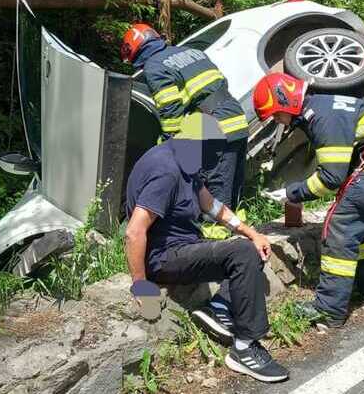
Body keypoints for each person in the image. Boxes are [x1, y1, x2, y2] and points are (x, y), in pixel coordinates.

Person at [123, 113, 289, 383]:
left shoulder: (184, 158)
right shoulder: (166, 172)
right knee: (242, 253)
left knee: (253, 247)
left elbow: (211, 205)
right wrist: (140, 284)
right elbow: (134, 232)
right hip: (164, 258)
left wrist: (252, 233)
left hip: (185, 246)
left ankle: (219, 308)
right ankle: (244, 347)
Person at [257, 72, 364, 327]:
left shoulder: (322, 118)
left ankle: (329, 310)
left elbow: (330, 178)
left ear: (286, 101)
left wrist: (292, 193)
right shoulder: (322, 107)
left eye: (276, 114)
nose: (277, 120)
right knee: (355, 226)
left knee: (339, 228)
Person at [121, 23, 248, 210]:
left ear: (134, 51)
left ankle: (218, 229)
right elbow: (220, 85)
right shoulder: (192, 52)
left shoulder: (154, 66)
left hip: (215, 131)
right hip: (236, 121)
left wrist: (167, 147)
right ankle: (242, 227)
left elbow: (170, 112)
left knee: (216, 201)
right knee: (234, 192)